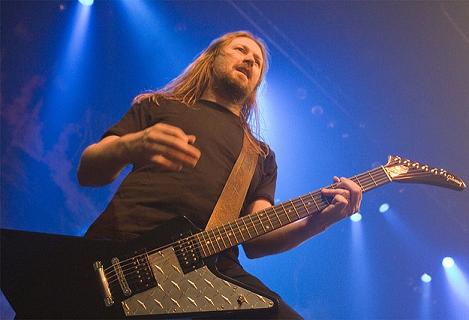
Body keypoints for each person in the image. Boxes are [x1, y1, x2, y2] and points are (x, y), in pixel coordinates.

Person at [77, 31, 362, 319]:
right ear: (210, 58)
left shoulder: (259, 154)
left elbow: (257, 239)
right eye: (241, 50)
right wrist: (133, 145)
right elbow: (88, 171)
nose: (250, 60)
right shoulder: (159, 106)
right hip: (117, 255)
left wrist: (320, 221)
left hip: (211, 271)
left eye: (258, 62)